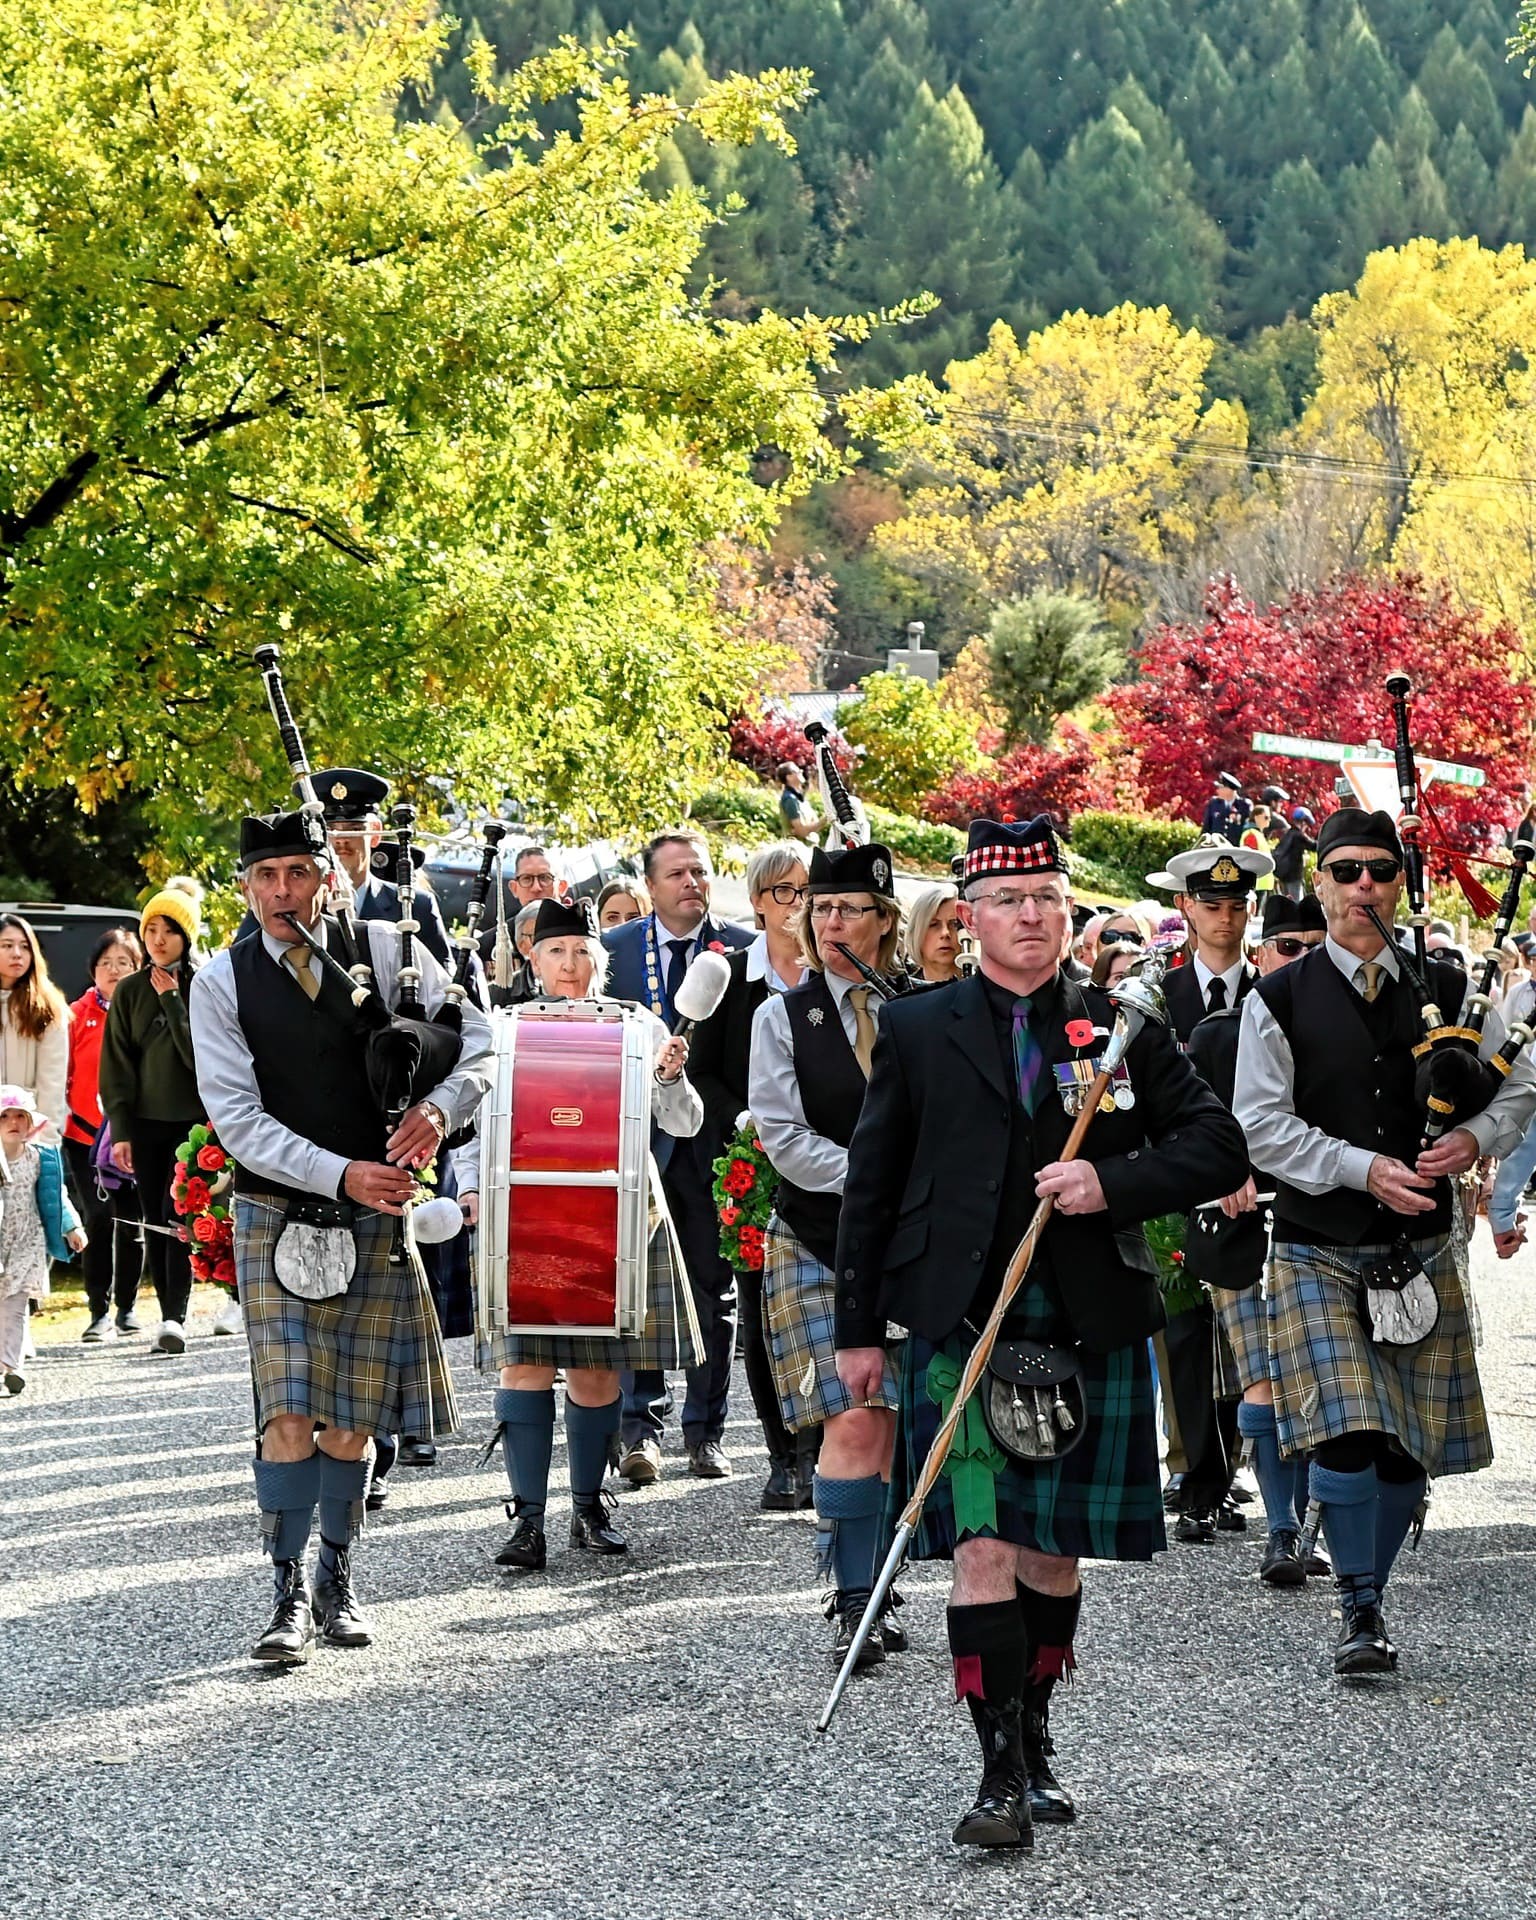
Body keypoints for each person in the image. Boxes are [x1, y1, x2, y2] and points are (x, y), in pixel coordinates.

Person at [834, 816, 1246, 1851]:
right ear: (968, 917)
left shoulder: (1121, 1027)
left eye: (1049, 900)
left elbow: (1216, 1146)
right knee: (980, 1545)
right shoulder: (923, 1029)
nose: (1033, 917)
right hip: (963, 1324)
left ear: (1069, 913)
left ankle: (1038, 1735)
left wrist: (1109, 1179)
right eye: (1010, 901)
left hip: (1083, 1322)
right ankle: (998, 1773)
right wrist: (858, 1327)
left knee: (1053, 1553)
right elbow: (873, 1186)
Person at [1235, 807, 1536, 1679]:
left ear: (1400, 886)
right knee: (1347, 1431)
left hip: (1422, 1244)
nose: (1364, 885)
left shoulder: (1450, 985)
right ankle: (1359, 1605)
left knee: (1410, 1450)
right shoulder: (1277, 998)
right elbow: (1261, 1126)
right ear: (1319, 884)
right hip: (1316, 1242)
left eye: (1381, 871)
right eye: (1347, 871)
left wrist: (1476, 1139)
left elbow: (1520, 1089)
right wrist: (1361, 1167)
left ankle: (1375, 1583)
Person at [189, 809, 492, 1664]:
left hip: (377, 1212)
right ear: (244, 886)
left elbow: (479, 1041)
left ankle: (337, 1573)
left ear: (327, 873)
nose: (281, 892)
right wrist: (341, 1172)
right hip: (276, 1212)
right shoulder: (221, 983)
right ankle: (285, 1592)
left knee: (351, 1420)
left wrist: (439, 1111)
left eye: (296, 872)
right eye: (264, 877)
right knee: (287, 1410)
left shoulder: (388, 949)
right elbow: (239, 1123)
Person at [458, 896, 702, 1568]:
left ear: (603, 957)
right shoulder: (504, 1027)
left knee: (597, 1370)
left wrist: (671, 1073)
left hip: (617, 1210)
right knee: (526, 1364)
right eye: (556, 951)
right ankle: (527, 1521)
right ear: (533, 959)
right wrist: (470, 1187)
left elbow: (683, 1123)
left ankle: (589, 1507)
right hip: (525, 1209)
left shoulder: (639, 1025)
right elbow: (470, 1119)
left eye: (582, 951)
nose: (571, 964)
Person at [749, 841, 906, 1669]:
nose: (832, 918)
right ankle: (854, 1602)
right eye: (821, 907)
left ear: (886, 921)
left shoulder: (926, 1009)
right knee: (852, 1411)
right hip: (818, 1236)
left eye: (851, 907)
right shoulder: (782, 1016)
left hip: (913, 1248)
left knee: (894, 1421)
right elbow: (783, 1138)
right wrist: (883, 1180)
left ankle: (879, 1579)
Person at [1185, 891, 1327, 1588]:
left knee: (1313, 1386)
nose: (1297, 960)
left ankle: (1306, 1520)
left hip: (1322, 1226)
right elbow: (1180, 1131)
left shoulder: (1340, 1028)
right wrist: (1222, 1175)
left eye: (1312, 946)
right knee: (1263, 1380)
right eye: (1288, 947)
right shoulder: (1215, 1034)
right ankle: (1281, 1530)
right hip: (1242, 1229)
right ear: (1262, 953)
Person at [603, 830, 752, 1483]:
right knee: (635, 1288)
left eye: (701, 871)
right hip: (634, 1147)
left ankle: (705, 1432)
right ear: (651, 885)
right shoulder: (613, 952)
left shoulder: (740, 952)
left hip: (716, 1147)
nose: (692, 882)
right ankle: (639, 1428)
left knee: (710, 1292)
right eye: (677, 874)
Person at [1154, 839, 1273, 1542]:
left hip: (1247, 1191)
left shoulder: (1270, 997)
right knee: (1182, 1332)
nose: (1224, 917)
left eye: (1236, 905)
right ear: (1185, 909)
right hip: (1175, 1189)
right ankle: (1197, 1471)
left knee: (1243, 1332)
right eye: (1210, 904)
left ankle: (1228, 1469)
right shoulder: (1154, 996)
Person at [688, 841, 811, 1511]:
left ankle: (827, 1447)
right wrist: (746, 1120)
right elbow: (704, 1070)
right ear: (760, 902)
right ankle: (784, 1454)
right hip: (755, 1166)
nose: (800, 905)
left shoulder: (835, 974)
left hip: (828, 1164)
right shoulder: (730, 976)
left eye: (808, 892)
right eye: (787, 892)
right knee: (764, 1308)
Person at [98, 885, 219, 1352]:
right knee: (155, 1220)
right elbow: (117, 1067)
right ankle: (167, 1316)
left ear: (186, 936)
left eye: (169, 930)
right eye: (151, 929)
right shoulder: (128, 991)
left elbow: (203, 1059)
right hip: (145, 1123)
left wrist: (173, 1002)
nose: (159, 938)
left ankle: (176, 1317)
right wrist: (121, 1130)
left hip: (194, 1124)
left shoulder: (204, 984)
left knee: (183, 1219)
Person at [65, 928, 146, 1341]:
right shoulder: (76, 1015)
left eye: (124, 963)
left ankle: (127, 1309)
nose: (114, 971)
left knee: (132, 1222)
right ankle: (97, 1308)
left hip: (132, 1137)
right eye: (106, 963)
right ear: (93, 969)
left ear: (138, 966)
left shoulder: (146, 1011)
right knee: (97, 1219)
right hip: (82, 1136)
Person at [0, 1085, 88, 1393]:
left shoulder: (40, 1159)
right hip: (0, 1246)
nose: (13, 1122)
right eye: (5, 1116)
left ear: (30, 1122)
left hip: (28, 1241)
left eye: (20, 1116)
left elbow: (56, 1198)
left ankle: (12, 1366)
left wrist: (72, 1228)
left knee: (15, 1306)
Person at [0, 912, 69, 1141]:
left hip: (28, 1135)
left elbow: (53, 1083)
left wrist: (45, 1141)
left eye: (24, 946)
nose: (17, 954)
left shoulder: (47, 1006)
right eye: (7, 945)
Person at [901, 883, 964, 984]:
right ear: (917, 932)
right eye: (934, 924)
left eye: (954, 924)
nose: (945, 933)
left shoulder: (985, 990)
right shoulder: (901, 994)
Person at [1271, 807, 1317, 904]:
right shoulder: (1298, 835)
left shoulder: (1288, 833)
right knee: (1297, 902)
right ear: (1303, 822)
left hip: (1283, 874)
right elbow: (1314, 846)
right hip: (1294, 875)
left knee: (1287, 902)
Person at [777, 762, 820, 844]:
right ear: (789, 777)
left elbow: (814, 823)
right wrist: (827, 818)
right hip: (799, 851)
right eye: (797, 771)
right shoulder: (790, 799)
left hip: (808, 847)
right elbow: (802, 831)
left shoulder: (799, 798)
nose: (801, 771)